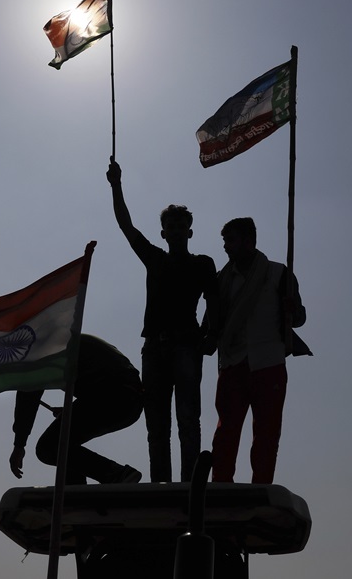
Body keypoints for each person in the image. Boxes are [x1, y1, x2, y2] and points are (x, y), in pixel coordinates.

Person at [107, 157, 217, 483]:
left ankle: (190, 484)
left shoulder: (202, 264)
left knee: (187, 418)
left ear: (190, 231)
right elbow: (126, 226)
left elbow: (215, 301)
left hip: (186, 344)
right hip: (154, 347)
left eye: (181, 226)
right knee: (157, 425)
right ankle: (161, 485)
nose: (177, 231)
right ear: (164, 232)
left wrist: (210, 335)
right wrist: (116, 187)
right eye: (172, 226)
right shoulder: (155, 258)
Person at [203, 217, 310, 484]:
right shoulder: (222, 280)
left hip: (268, 362)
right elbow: (211, 323)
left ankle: (260, 490)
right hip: (233, 363)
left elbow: (299, 318)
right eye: (225, 241)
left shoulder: (278, 273)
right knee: (226, 434)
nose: (226, 247)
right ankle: (221, 490)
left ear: (249, 241)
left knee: (266, 435)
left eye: (231, 241)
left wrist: (291, 309)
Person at [10, 334, 144, 485]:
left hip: (115, 396)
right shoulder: (63, 341)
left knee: (49, 447)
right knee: (63, 441)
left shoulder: (41, 353)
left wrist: (19, 445)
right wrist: (72, 410)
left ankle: (115, 474)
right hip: (127, 399)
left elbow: (28, 396)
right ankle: (75, 491)